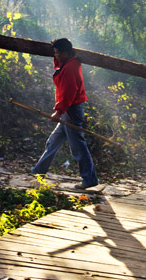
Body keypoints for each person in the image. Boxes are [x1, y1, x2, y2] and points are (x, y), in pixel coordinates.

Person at [30, 38, 99, 189]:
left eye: (58, 53)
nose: (56, 56)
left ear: (66, 53)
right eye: (54, 53)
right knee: (53, 141)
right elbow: (59, 66)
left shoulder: (71, 68)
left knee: (78, 148)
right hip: (68, 110)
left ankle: (90, 179)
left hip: (71, 110)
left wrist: (58, 112)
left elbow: (68, 93)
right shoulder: (68, 63)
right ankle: (38, 170)